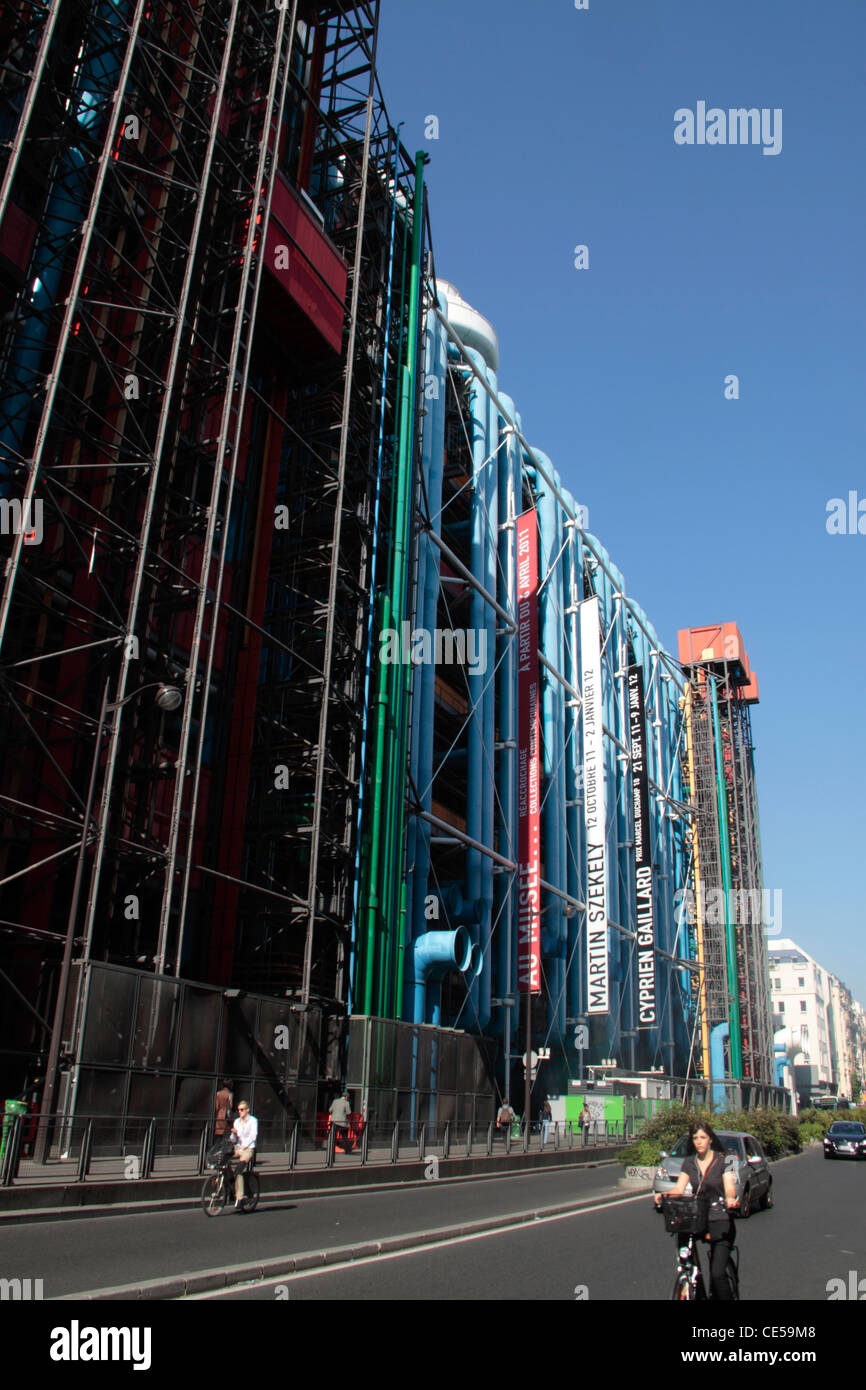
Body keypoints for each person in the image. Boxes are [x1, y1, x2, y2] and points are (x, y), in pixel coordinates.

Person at [654, 1121, 739, 1300]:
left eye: (702, 1138)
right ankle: (691, 1281)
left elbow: (729, 1187)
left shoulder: (723, 1160)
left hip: (719, 1218)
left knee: (717, 1274)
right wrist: (663, 1196)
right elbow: (679, 1189)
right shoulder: (689, 1163)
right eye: (695, 1138)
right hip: (697, 1218)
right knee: (686, 1255)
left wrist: (730, 1198)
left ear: (710, 1140)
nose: (699, 1141)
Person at [229, 1100, 257, 1207]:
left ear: (247, 1110)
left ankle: (240, 1198)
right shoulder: (236, 1121)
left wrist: (245, 1145)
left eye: (242, 1110)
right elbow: (233, 1139)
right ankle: (230, 1185)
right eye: (238, 1110)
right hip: (238, 1147)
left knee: (239, 1169)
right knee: (223, 1160)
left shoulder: (253, 1121)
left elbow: (253, 1136)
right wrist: (233, 1134)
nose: (240, 1112)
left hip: (248, 1149)